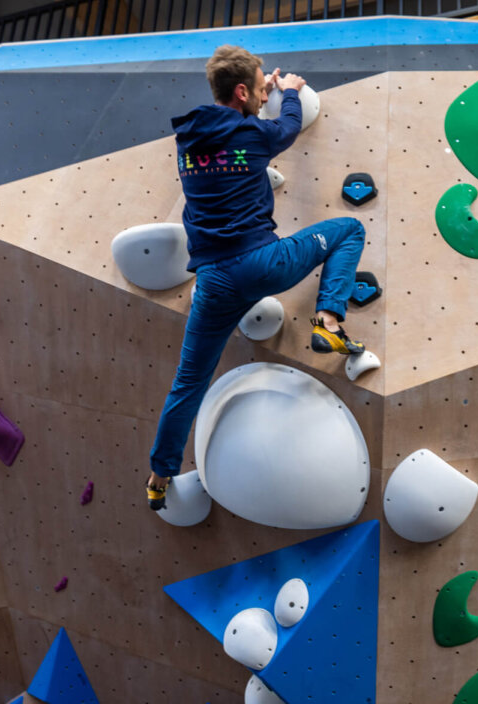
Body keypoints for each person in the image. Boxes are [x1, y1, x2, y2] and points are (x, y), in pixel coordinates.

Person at [146, 45, 367, 511]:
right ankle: (328, 322)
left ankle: (159, 477)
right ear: (243, 92)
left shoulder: (187, 144)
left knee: (188, 384)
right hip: (262, 263)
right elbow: (288, 127)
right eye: (261, 87)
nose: (268, 92)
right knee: (349, 229)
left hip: (213, 283)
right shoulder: (254, 133)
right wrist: (291, 91)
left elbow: (235, 134)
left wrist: (260, 87)